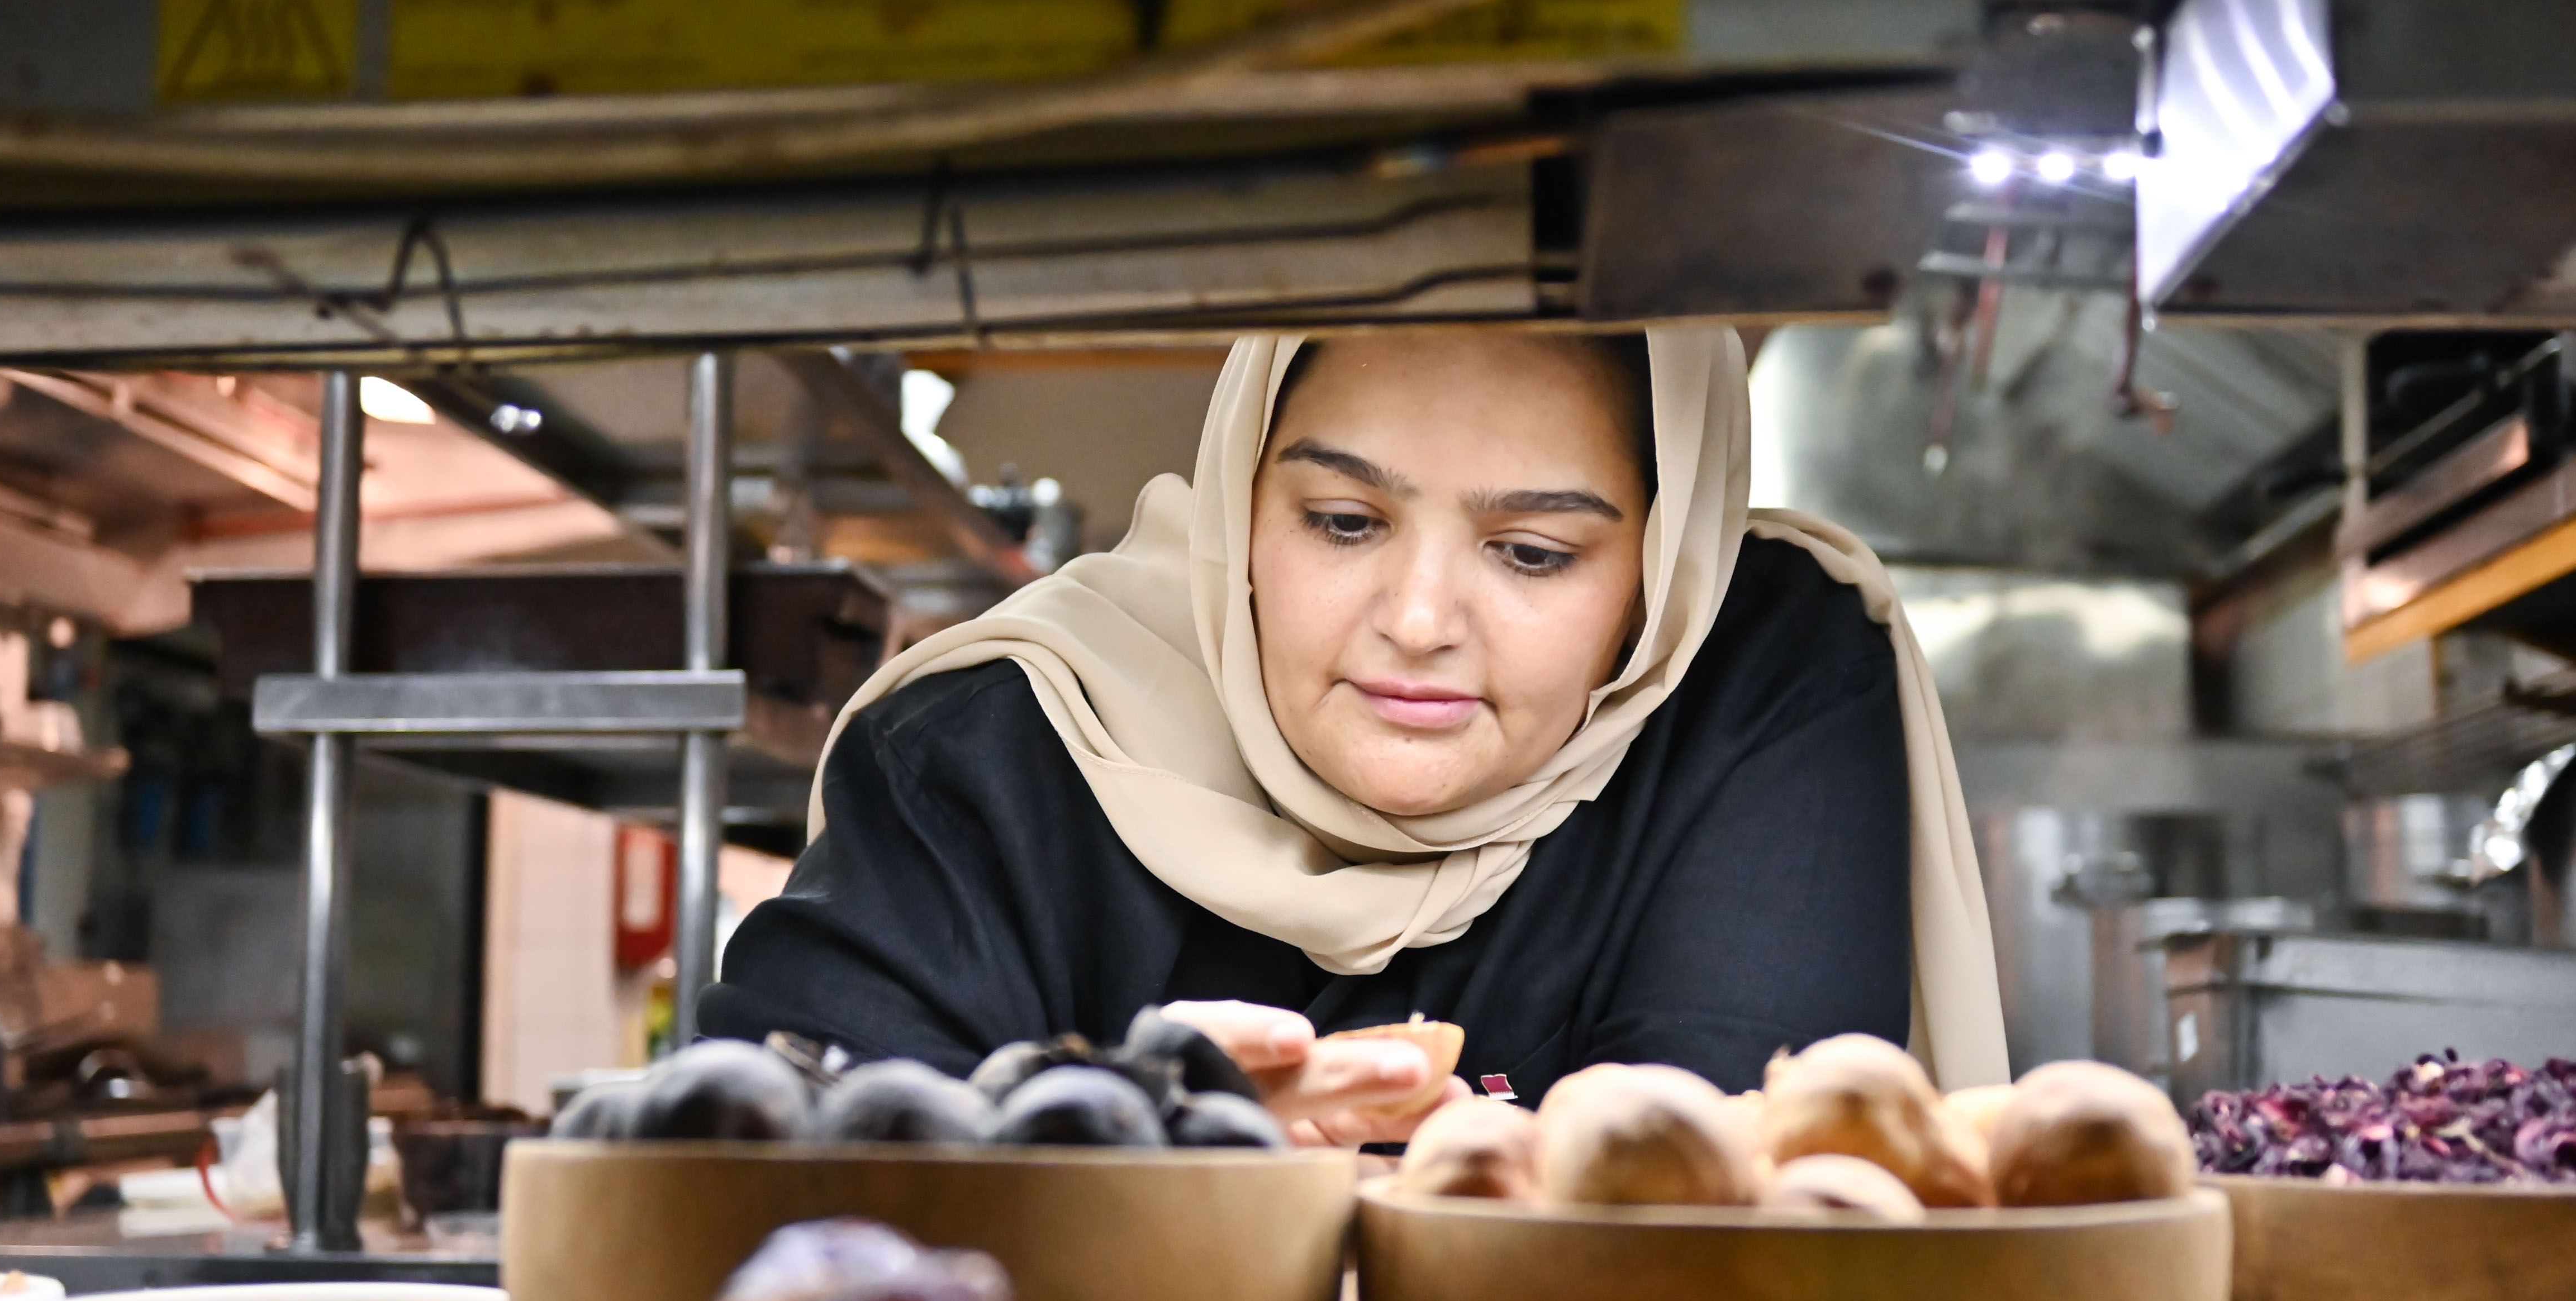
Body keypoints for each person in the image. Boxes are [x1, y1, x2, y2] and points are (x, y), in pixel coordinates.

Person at [704, 325, 2003, 1143]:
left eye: (1533, 551)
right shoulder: (994, 749)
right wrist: (1159, 1130)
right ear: (1243, 506)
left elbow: (1708, 1212)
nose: (1420, 619)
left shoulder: (1752, 671)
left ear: (1662, 577)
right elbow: (763, 1178)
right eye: (1342, 521)